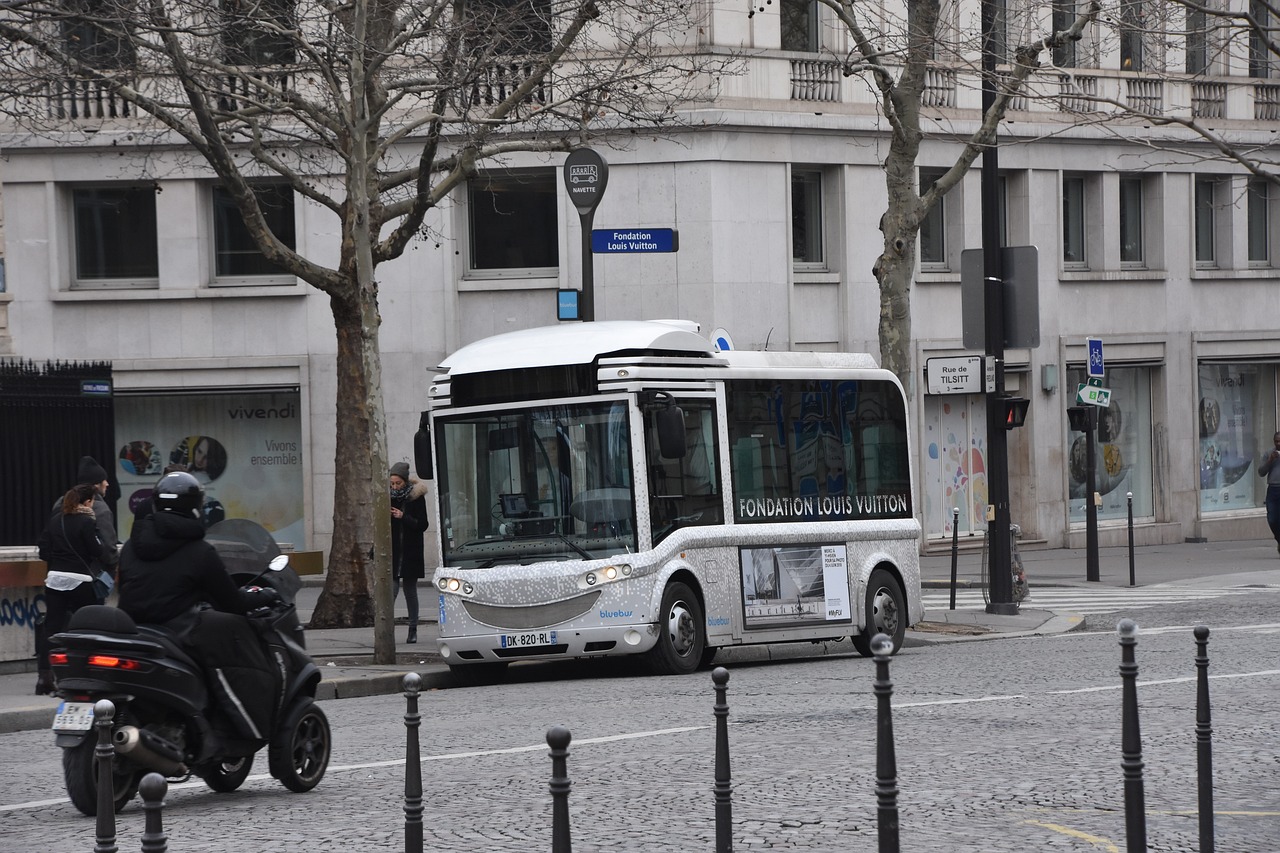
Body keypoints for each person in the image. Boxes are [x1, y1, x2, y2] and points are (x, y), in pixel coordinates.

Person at [117, 471, 278, 738]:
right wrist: (265, 595)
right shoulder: (200, 552)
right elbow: (232, 602)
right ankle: (238, 724)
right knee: (235, 639)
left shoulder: (132, 547)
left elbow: (127, 588)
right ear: (195, 507)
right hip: (178, 633)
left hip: (134, 629)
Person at [34, 483, 116, 694]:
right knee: (88, 626)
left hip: (55, 580)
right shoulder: (87, 522)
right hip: (81, 580)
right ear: (87, 502)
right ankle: (86, 674)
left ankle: (44, 677)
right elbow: (97, 550)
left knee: (51, 629)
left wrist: (59, 562)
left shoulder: (55, 521)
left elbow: (43, 551)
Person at [55, 456, 120, 575]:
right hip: (89, 575)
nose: (107, 484)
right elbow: (108, 549)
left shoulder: (59, 504)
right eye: (104, 480)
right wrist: (111, 569)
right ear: (96, 485)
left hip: (58, 575)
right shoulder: (100, 509)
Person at [390, 461, 428, 644]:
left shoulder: (416, 497)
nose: (395, 487)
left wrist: (403, 516)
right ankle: (386, 629)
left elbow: (422, 524)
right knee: (391, 590)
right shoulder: (388, 498)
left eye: (398, 483)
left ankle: (412, 629)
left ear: (405, 481)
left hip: (411, 551)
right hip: (393, 552)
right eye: (392, 484)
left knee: (410, 591)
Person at [1259, 431, 1280, 555]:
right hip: (1273, 489)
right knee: (1272, 519)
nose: (1278, 443)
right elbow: (1261, 472)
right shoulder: (1269, 453)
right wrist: (1270, 460)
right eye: (1276, 441)